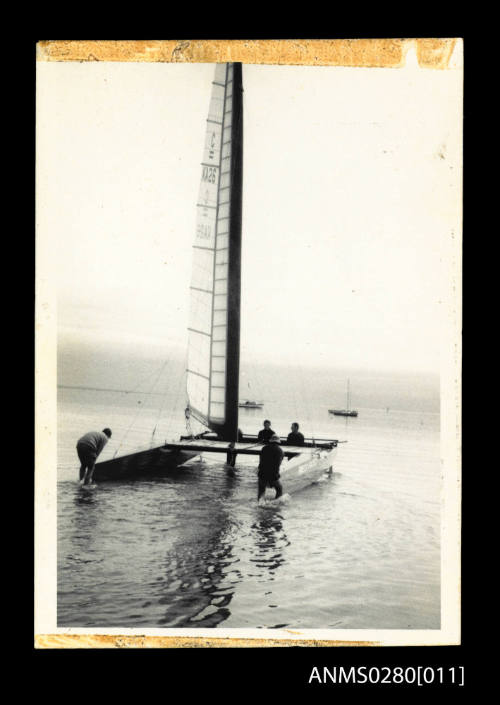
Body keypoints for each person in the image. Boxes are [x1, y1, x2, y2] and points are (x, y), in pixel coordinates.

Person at [257, 434, 284, 501]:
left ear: (271, 441)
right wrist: (277, 476)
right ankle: (276, 504)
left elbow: (261, 461)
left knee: (261, 490)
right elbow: (278, 464)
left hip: (262, 474)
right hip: (272, 475)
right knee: (279, 489)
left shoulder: (264, 448)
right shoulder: (280, 451)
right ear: (278, 442)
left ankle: (259, 504)